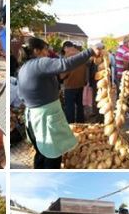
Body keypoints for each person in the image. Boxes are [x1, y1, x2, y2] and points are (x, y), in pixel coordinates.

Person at [18, 37, 103, 168]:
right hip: (46, 117)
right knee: (53, 155)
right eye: (45, 50)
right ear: (36, 51)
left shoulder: (24, 68)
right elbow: (65, 65)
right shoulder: (40, 63)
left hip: (32, 116)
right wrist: (90, 51)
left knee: (41, 153)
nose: (47, 53)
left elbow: (21, 95)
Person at [59, 41, 88, 124]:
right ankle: (81, 123)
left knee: (70, 107)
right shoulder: (81, 54)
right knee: (80, 105)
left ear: (65, 48)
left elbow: (62, 74)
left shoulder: (67, 56)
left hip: (70, 85)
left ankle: (71, 124)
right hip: (80, 84)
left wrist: (62, 77)